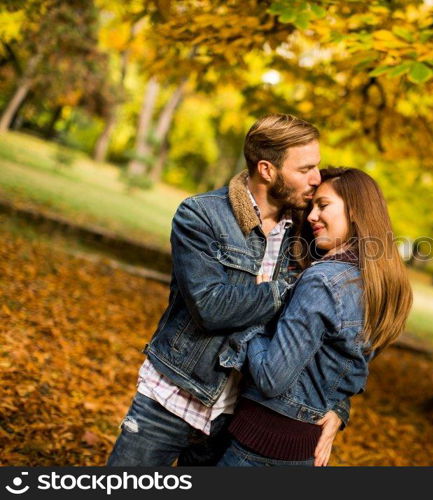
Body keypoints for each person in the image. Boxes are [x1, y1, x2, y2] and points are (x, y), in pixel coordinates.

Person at [107, 114, 349, 466]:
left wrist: (338, 404)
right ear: (267, 169)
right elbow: (211, 308)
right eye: (305, 169)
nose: (316, 179)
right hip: (171, 398)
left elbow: (338, 324)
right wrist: (284, 292)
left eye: (318, 167)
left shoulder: (307, 230)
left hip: (239, 417)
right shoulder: (202, 215)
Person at [217, 167, 413, 467]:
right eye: (311, 206)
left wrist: (254, 314)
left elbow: (271, 377)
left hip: (262, 447)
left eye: (323, 205)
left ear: (356, 211)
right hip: (304, 452)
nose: (311, 216)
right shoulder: (380, 284)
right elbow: (350, 369)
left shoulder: (323, 280)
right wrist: (338, 409)